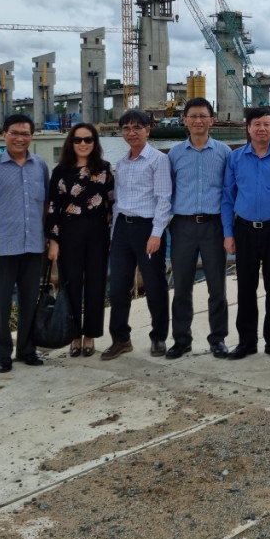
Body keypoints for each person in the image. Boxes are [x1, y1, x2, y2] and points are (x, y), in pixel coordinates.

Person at [221, 106, 270, 361]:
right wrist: (228, 233)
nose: (262, 129)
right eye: (257, 124)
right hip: (244, 229)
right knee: (245, 288)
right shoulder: (235, 158)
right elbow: (227, 198)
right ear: (248, 128)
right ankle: (246, 342)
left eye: (267, 124)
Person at [0, 113, 51, 373]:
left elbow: (45, 207)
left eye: (25, 134)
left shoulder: (39, 166)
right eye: (15, 133)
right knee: (0, 304)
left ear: (32, 136)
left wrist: (48, 239)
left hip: (33, 247)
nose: (20, 138)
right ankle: (2, 354)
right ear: (4, 135)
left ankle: (27, 349)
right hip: (2, 248)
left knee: (30, 301)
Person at [101, 110, 173, 360]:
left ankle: (159, 337)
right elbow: (118, 202)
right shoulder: (121, 163)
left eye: (136, 128)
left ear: (147, 130)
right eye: (126, 128)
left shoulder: (158, 160)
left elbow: (164, 199)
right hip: (122, 228)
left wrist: (156, 234)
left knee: (155, 286)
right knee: (119, 287)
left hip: (148, 228)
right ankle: (121, 339)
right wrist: (113, 235)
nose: (131, 133)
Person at [167, 97, 232, 359]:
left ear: (211, 120)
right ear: (185, 120)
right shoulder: (174, 154)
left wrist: (229, 230)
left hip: (213, 226)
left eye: (203, 116)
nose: (198, 121)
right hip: (182, 226)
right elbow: (168, 190)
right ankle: (181, 339)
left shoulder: (224, 152)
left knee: (217, 286)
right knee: (181, 286)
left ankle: (218, 338)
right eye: (192, 116)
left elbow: (229, 193)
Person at [46, 122, 114, 358]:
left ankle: (90, 336)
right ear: (71, 143)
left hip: (97, 231)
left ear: (95, 143)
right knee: (70, 283)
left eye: (88, 140)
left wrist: (113, 234)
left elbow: (111, 204)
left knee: (96, 283)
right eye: (78, 140)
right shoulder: (60, 171)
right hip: (69, 230)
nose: (83, 144)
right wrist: (53, 240)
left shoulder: (104, 169)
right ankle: (73, 334)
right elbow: (53, 207)